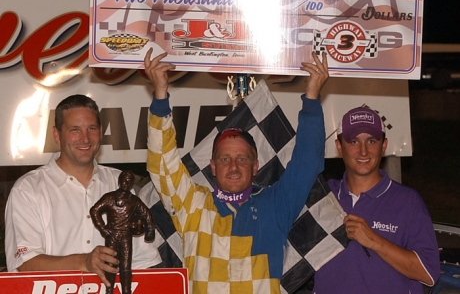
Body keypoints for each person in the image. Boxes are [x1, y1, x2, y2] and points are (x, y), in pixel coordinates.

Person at [140, 48, 329, 294]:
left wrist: (312, 97)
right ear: (213, 167)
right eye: (225, 158)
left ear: (255, 166)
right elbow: (162, 163)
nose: (233, 166)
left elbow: (307, 161)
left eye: (242, 159)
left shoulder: (275, 205)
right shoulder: (193, 205)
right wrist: (160, 95)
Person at [5, 94, 162, 289]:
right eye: (75, 130)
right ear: (56, 135)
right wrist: (84, 262)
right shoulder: (28, 189)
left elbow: (146, 263)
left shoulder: (119, 181)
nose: (85, 138)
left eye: (92, 129)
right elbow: (24, 266)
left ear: (101, 132)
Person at [312, 106, 440, 293]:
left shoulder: (407, 201)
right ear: (339, 147)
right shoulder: (323, 196)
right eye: (353, 141)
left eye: (371, 141)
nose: (363, 151)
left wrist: (373, 240)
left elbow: (429, 273)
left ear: (384, 146)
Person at [91, 170, 156, 294]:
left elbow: (147, 214)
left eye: (129, 181)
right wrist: (103, 228)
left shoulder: (134, 200)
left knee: (126, 266)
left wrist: (149, 231)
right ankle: (109, 290)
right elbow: (95, 210)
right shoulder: (110, 197)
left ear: (132, 184)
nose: (126, 183)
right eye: (124, 180)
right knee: (110, 264)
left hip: (126, 235)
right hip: (112, 234)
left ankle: (127, 291)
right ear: (119, 181)